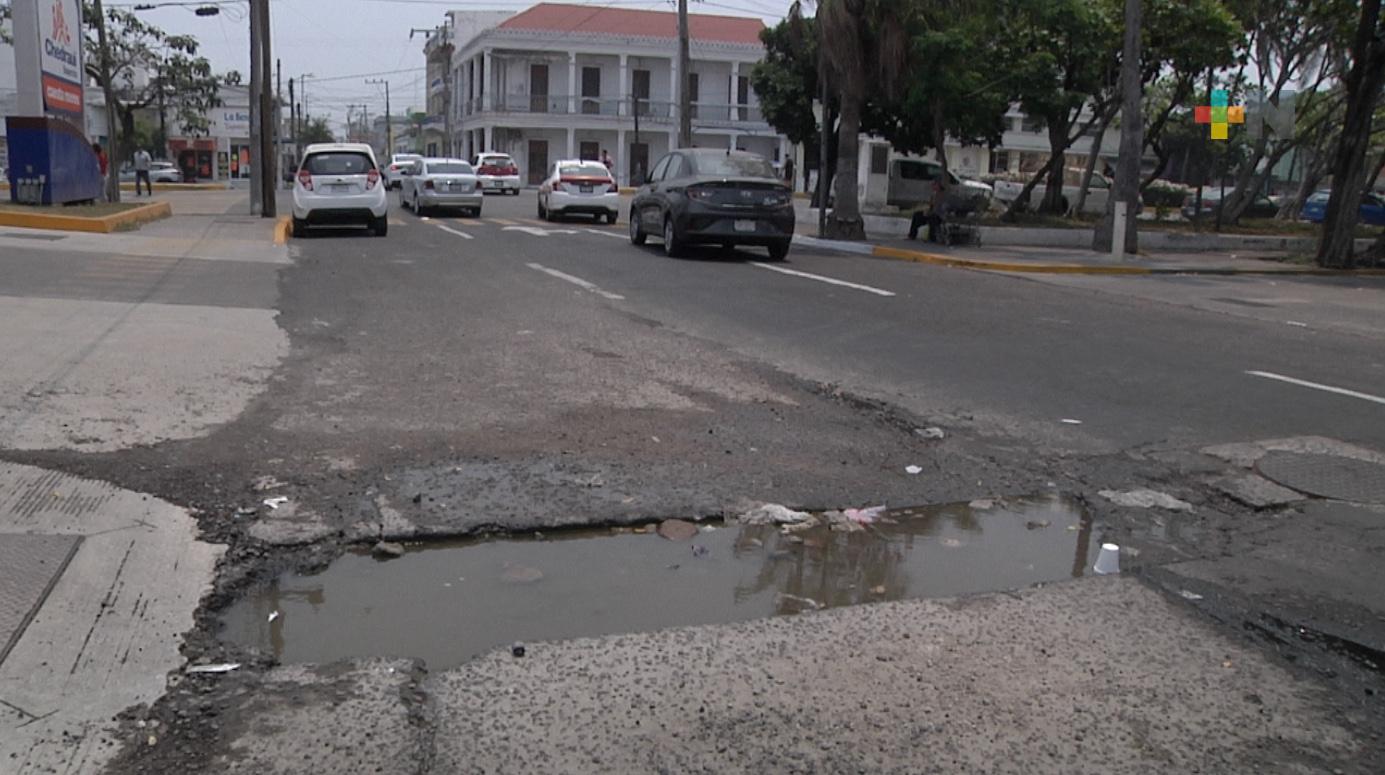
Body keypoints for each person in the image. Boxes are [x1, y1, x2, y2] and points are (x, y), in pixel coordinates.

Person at [907, 178, 951, 243]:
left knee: (932, 218)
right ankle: (912, 235)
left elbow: (940, 209)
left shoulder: (942, 195)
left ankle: (932, 237)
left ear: (938, 186)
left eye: (934, 185)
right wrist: (927, 211)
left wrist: (930, 212)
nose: (932, 186)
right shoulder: (933, 194)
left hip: (939, 215)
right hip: (932, 213)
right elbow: (931, 206)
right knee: (917, 215)